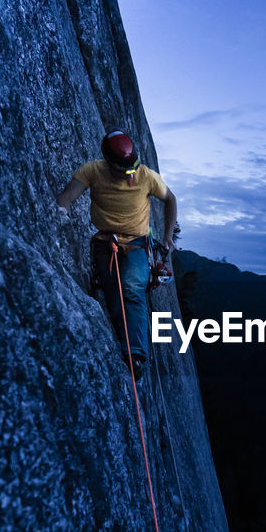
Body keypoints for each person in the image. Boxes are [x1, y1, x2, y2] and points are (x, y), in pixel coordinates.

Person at [56, 130, 177, 381]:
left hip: (136, 244)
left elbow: (170, 199)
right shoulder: (92, 171)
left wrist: (167, 237)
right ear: (108, 162)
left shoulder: (146, 176)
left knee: (132, 288)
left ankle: (135, 356)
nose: (129, 177)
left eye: (131, 170)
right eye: (124, 171)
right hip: (105, 241)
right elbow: (66, 198)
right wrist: (60, 211)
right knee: (113, 300)